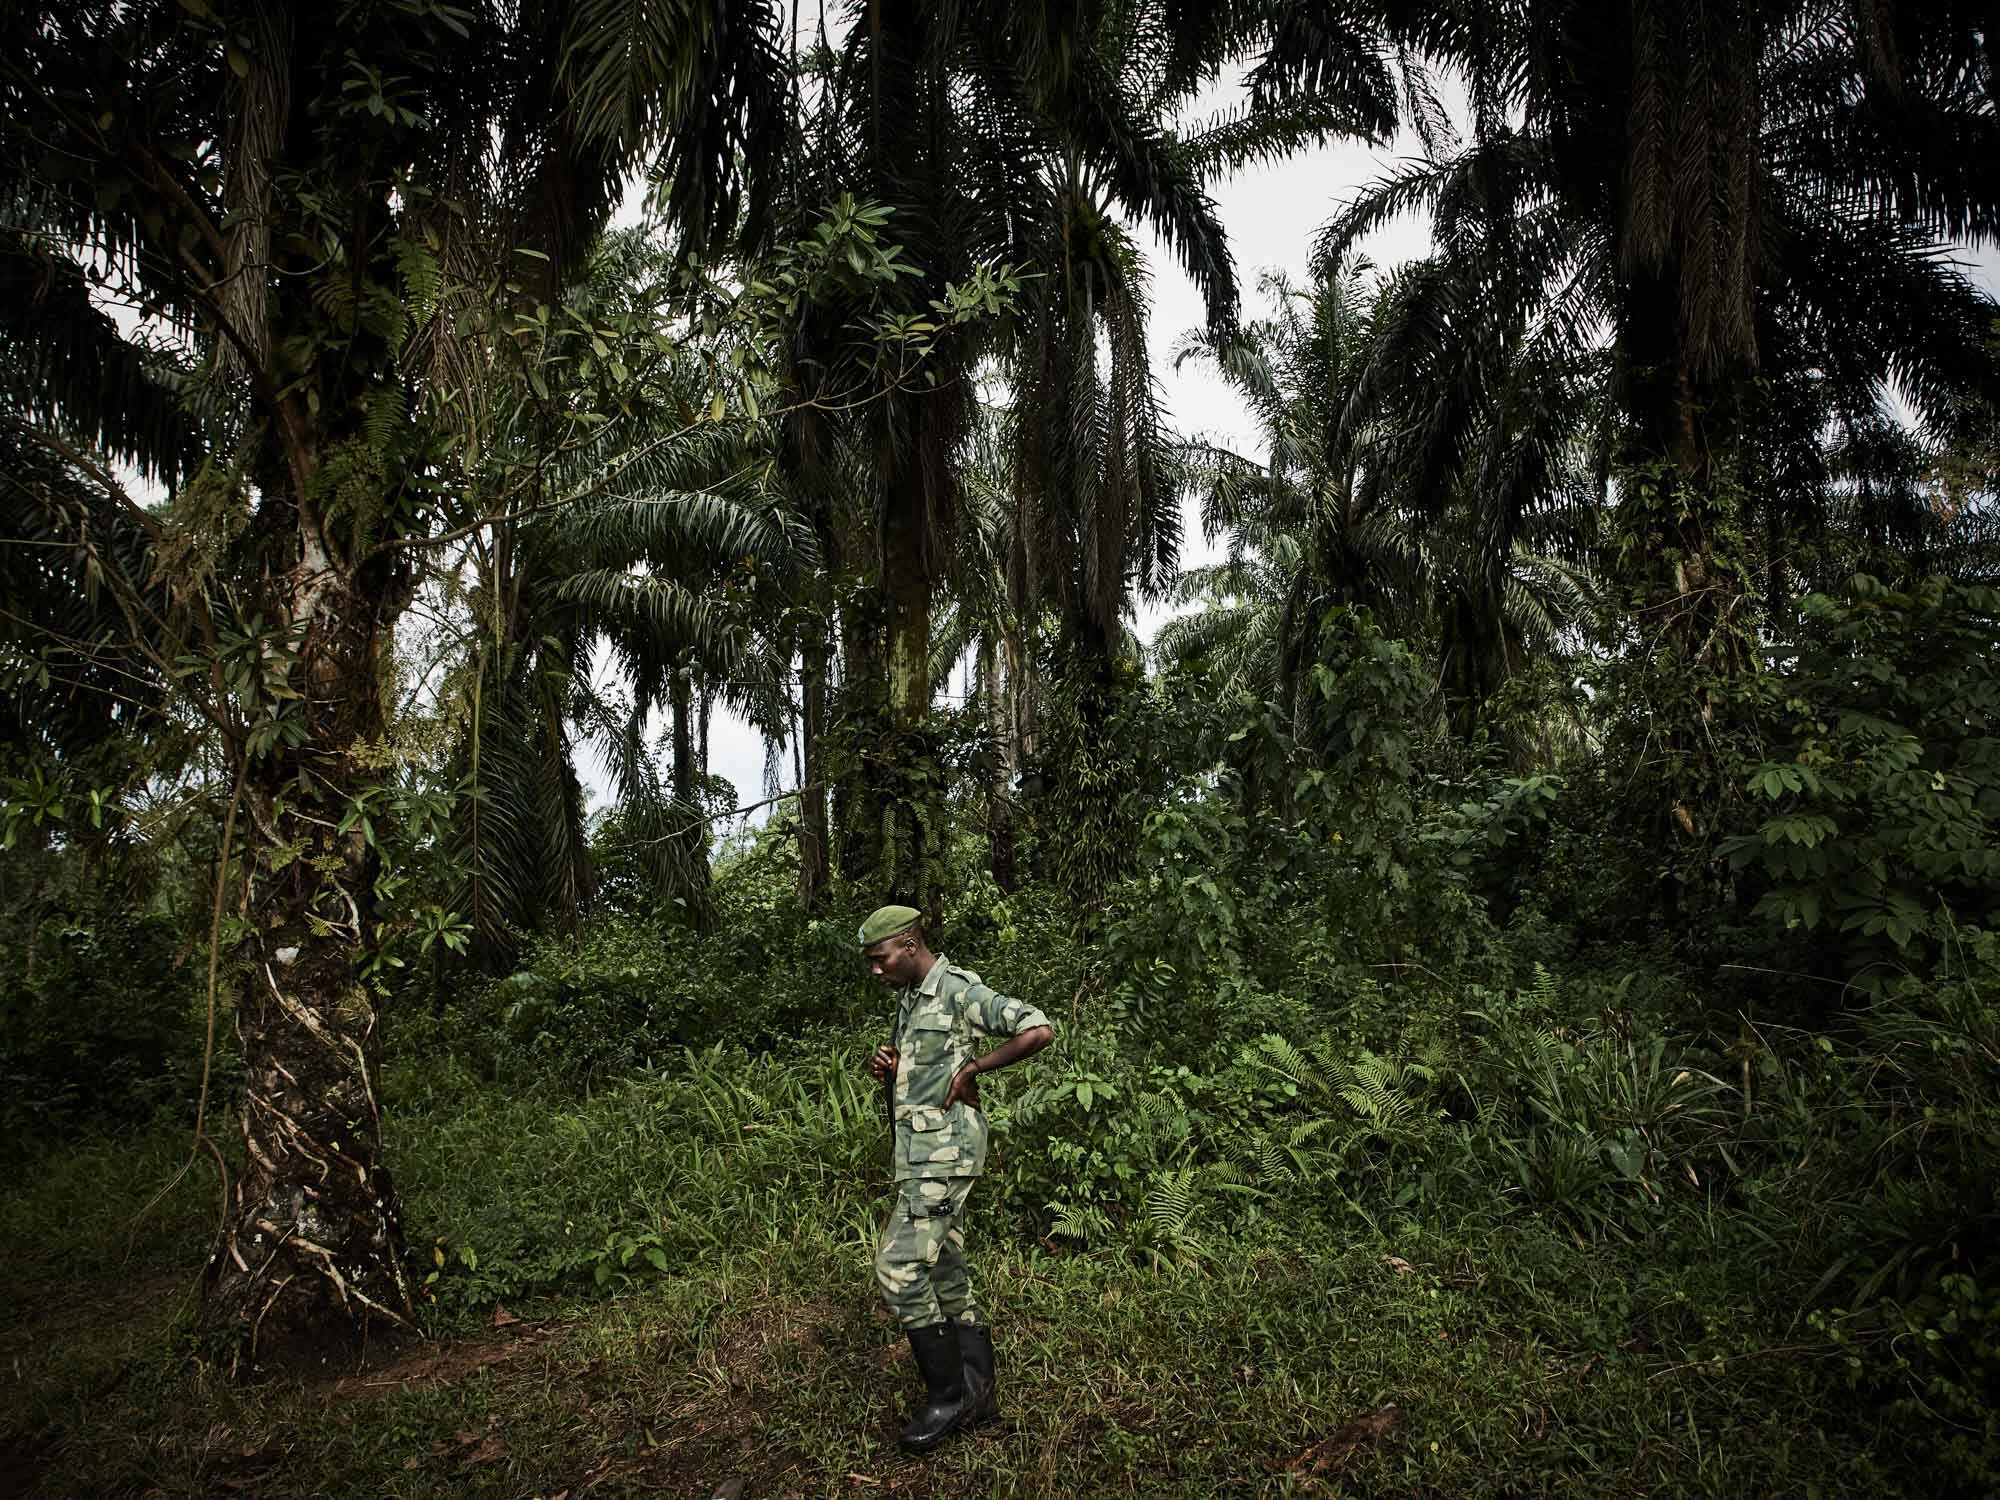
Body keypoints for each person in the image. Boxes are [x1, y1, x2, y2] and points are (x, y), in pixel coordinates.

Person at [859, 903, 1053, 1455]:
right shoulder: (909, 1000)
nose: (876, 969)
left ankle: (946, 1398)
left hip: (945, 1155)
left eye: (881, 958)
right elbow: (922, 1074)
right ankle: (979, 1396)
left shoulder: (957, 989)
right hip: (919, 1153)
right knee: (946, 1269)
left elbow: (1037, 1029)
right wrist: (893, 1073)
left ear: (910, 945)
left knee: (897, 1268)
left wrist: (975, 1069)